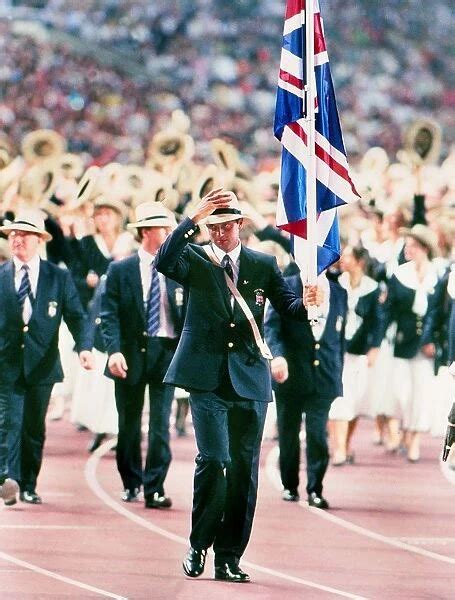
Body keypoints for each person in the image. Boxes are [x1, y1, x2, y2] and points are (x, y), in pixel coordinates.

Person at [155, 188, 322, 583]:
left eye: (226, 225)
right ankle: (199, 542)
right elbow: (164, 260)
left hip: (249, 378)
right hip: (206, 377)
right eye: (213, 226)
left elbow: (290, 310)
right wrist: (192, 218)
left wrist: (311, 301)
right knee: (214, 459)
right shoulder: (196, 258)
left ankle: (229, 556)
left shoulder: (263, 263)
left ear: (241, 225)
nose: (220, 233)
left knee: (245, 471)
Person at [0, 209, 93, 506]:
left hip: (42, 366)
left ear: (39, 240)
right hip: (6, 364)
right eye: (14, 234)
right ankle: (8, 478)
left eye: (25, 234)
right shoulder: (0, 275)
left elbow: (77, 317)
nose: (18, 240)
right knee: (8, 422)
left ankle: (28, 483)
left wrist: (85, 347)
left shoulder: (58, 277)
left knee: (33, 427)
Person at [101, 202, 184, 509]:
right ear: (147, 232)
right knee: (129, 424)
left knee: (161, 423)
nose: (169, 234)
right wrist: (113, 351)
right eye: (164, 228)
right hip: (131, 352)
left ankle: (155, 487)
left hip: (165, 352)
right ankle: (130, 480)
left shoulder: (178, 268)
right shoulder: (120, 269)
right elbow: (108, 314)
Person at [265, 270, 347, 508]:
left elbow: (338, 335)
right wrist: (277, 356)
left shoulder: (339, 291)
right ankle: (290, 485)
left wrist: (337, 370)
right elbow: (271, 326)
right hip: (291, 373)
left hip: (324, 375)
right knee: (288, 432)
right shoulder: (287, 285)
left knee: (318, 434)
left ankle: (315, 488)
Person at [328, 245, 383, 466]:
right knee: (338, 400)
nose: (343, 260)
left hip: (359, 351)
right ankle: (339, 448)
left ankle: (346, 443)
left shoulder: (372, 288)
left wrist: (375, 348)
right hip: (336, 349)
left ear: (359, 261)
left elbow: (377, 322)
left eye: (348, 256)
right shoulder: (336, 283)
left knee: (355, 401)